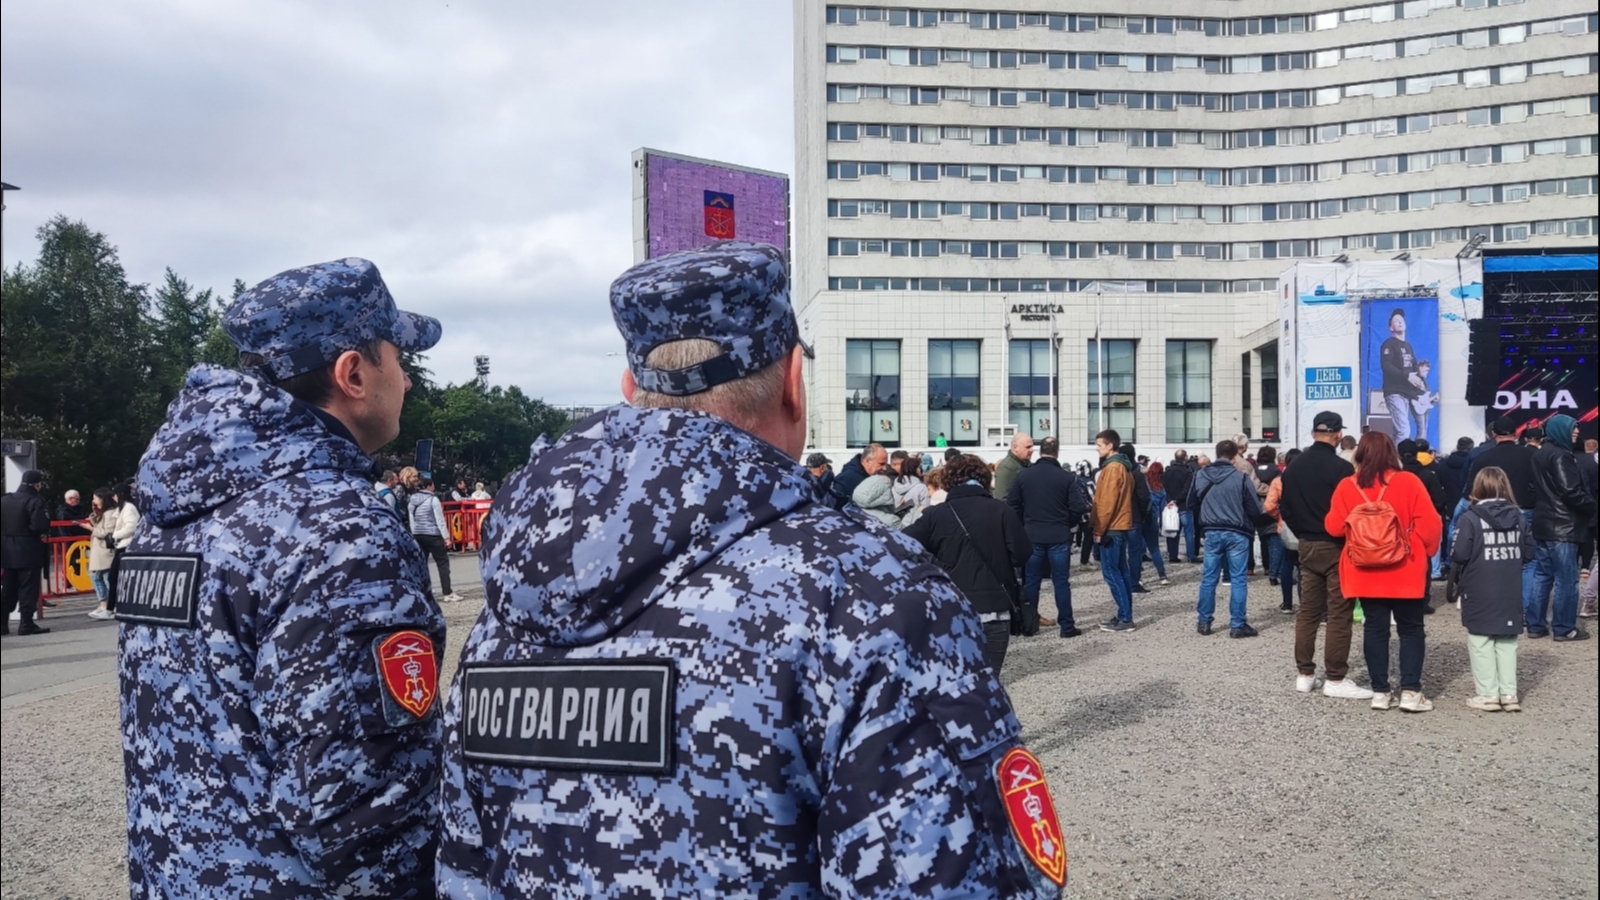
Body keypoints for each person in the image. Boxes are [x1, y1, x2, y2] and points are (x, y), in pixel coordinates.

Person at [437, 242, 1067, 897]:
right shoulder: (873, 595)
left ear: (632, 389)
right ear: (794, 382)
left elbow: (462, 866)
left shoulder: (509, 608)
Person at [119, 257, 446, 898]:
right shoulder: (336, 529)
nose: (406, 379)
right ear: (352, 373)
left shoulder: (174, 514)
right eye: (397, 358)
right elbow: (365, 812)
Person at [1325, 431, 1444, 712]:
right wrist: (1423, 553)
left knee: (1375, 629)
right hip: (1405, 566)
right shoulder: (1408, 481)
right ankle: (1411, 692)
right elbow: (1430, 525)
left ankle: (1380, 691)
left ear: (1359, 453)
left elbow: (1333, 526)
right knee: (1411, 629)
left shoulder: (1347, 485)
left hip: (1363, 568)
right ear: (1391, 452)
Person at [1279, 412, 1372, 699]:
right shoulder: (1341, 469)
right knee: (1339, 612)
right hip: (1336, 544)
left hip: (1306, 542)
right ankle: (1335, 677)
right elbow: (1353, 511)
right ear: (1336, 435)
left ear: (1312, 434)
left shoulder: (1293, 468)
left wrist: (1303, 532)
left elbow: (1286, 507)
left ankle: (1305, 673)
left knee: (1308, 611)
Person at [908, 453, 1030, 667]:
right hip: (995, 606)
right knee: (988, 681)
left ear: (947, 481)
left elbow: (902, 545)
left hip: (951, 606)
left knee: (955, 682)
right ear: (984, 478)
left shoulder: (935, 515)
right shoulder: (1002, 511)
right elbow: (1021, 554)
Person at [1451, 467, 1532, 712]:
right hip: (1509, 584)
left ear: (1478, 488)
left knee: (1480, 639)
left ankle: (1487, 694)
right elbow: (1529, 552)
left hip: (1478, 584)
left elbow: (1459, 553)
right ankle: (1509, 694)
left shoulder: (1471, 517)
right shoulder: (1519, 517)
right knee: (1508, 640)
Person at [1006, 436, 1089, 637]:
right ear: (1057, 452)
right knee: (1061, 582)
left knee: (1032, 581)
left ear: (1039, 450)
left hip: (1032, 534)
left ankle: (1029, 624)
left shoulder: (1024, 476)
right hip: (1059, 534)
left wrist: (1024, 524)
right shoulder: (1067, 477)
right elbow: (1079, 506)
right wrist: (1067, 522)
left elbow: (1012, 504)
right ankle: (1067, 626)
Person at [1462, 417, 1540, 620]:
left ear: (1493, 434)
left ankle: (1495, 606)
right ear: (1516, 433)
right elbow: (1540, 485)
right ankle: (1523, 610)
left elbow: (1470, 489)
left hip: (1487, 513)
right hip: (1525, 510)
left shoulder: (1482, 458)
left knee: (1491, 558)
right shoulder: (1531, 455)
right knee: (1528, 561)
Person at [1526, 413, 1595, 641]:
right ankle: (1564, 627)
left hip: (1544, 523)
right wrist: (1592, 506)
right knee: (1567, 579)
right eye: (1573, 429)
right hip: (1564, 526)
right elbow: (1570, 491)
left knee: (1542, 576)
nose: (1577, 432)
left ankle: (1535, 625)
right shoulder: (1562, 456)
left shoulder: (1539, 454)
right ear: (1561, 430)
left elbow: (1536, 489)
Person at [1190, 441, 1263, 638]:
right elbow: (1254, 508)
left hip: (1212, 530)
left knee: (1209, 578)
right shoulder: (1241, 478)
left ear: (1216, 454)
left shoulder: (1200, 475)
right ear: (1234, 457)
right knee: (1238, 579)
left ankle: (1204, 621)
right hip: (1237, 531)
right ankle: (1237, 624)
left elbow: (1191, 501)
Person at [1090, 429, 1137, 632]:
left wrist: (1099, 529)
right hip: (1120, 525)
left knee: (1112, 574)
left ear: (1110, 446)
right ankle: (1124, 615)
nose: (1097, 449)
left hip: (1112, 528)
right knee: (1122, 573)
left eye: (1100, 445)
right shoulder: (1124, 468)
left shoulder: (1112, 468)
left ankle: (1125, 618)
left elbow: (1106, 502)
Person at [2, 469, 52, 636]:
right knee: (28, 587)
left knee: (8, 588)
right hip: (28, 550)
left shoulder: (5, 500)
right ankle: (26, 623)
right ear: (37, 484)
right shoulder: (35, 501)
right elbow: (39, 526)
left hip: (7, 550)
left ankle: (2, 623)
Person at [1399, 439, 1450, 585]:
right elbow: (1440, 499)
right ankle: (1424, 598)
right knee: (1425, 557)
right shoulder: (1427, 474)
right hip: (1425, 521)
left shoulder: (1394, 475)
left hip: (1399, 522)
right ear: (1417, 454)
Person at [409, 476, 463, 602]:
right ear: (429, 487)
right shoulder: (433, 499)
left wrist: (413, 532)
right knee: (442, 563)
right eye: (432, 485)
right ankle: (447, 592)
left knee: (422, 564)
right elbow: (440, 520)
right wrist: (446, 537)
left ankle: (423, 590)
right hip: (432, 534)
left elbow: (412, 518)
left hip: (418, 533)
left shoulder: (412, 499)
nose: (434, 487)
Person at [1265, 448, 1303, 613]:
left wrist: (1277, 516)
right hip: (1305, 526)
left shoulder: (1278, 481)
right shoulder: (1306, 478)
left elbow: (1269, 505)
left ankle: (1287, 603)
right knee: (1304, 567)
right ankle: (1305, 603)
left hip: (1285, 526)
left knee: (1286, 564)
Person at [1379, 307, 1425, 442]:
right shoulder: (1389, 344)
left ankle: (1391, 457)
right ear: (1391, 328)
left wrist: (1419, 379)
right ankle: (1398, 462)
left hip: (1407, 393)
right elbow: (1386, 366)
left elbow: (1414, 368)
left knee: (1401, 431)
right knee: (1404, 430)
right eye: (1396, 321)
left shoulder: (1408, 346)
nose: (1399, 322)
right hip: (1394, 392)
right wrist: (1407, 376)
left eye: (1401, 320)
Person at [1120, 443, 1161, 592]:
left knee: (1121, 551)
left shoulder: (1117, 471)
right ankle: (1134, 582)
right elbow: (1144, 497)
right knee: (1134, 552)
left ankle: (1123, 580)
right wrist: (1146, 515)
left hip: (1120, 517)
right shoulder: (1136, 473)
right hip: (1136, 516)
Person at [80, 488, 120, 618]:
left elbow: (106, 532)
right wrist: (95, 513)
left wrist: (90, 528)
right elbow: (99, 526)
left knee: (105, 578)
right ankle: (104, 604)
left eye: (96, 498)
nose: (94, 501)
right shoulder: (104, 513)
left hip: (105, 549)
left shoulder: (110, 513)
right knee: (97, 577)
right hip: (99, 550)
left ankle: (111, 605)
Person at [1254, 446, 1283, 587]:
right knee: (1275, 542)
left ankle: (1266, 567)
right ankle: (1273, 572)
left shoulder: (1253, 470)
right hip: (1272, 509)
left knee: (1263, 540)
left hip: (1256, 510)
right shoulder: (1277, 472)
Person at [1164, 449, 1197, 563]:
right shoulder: (1187, 472)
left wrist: (1170, 500)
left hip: (1170, 506)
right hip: (1184, 505)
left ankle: (1173, 556)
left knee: (1172, 532)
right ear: (1185, 458)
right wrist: (1177, 500)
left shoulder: (1167, 472)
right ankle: (1191, 555)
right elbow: (1187, 489)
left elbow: (1164, 488)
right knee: (1189, 532)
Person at [832, 442, 885, 508]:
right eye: (881, 464)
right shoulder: (847, 480)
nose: (885, 468)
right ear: (867, 461)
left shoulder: (873, 476)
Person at [890, 450, 931, 526]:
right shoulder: (921, 487)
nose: (920, 469)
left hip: (896, 524)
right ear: (914, 469)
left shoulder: (894, 486)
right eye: (919, 467)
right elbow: (926, 508)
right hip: (915, 525)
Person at [993, 432, 1034, 500]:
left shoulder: (1026, 464)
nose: (1031, 450)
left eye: (1032, 446)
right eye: (1028, 447)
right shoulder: (1006, 468)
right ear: (1016, 448)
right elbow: (1001, 497)